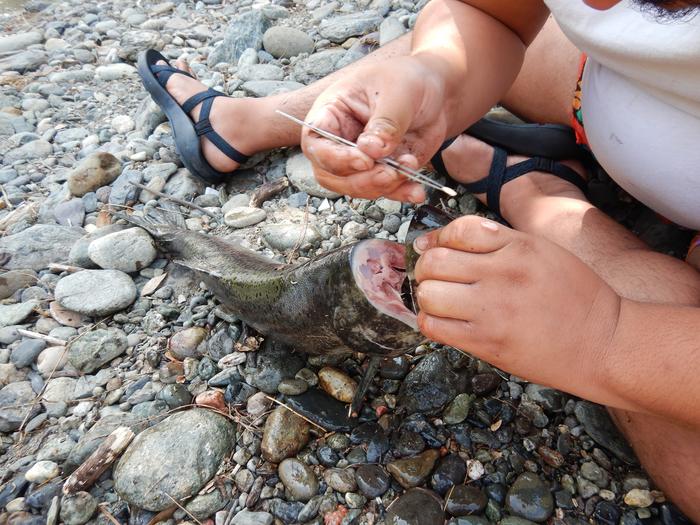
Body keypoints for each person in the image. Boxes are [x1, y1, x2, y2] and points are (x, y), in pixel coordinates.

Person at [140, 0, 700, 517]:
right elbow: (492, 14)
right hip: (615, 90)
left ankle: (538, 198)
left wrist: (607, 336)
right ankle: (246, 122)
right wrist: (436, 75)